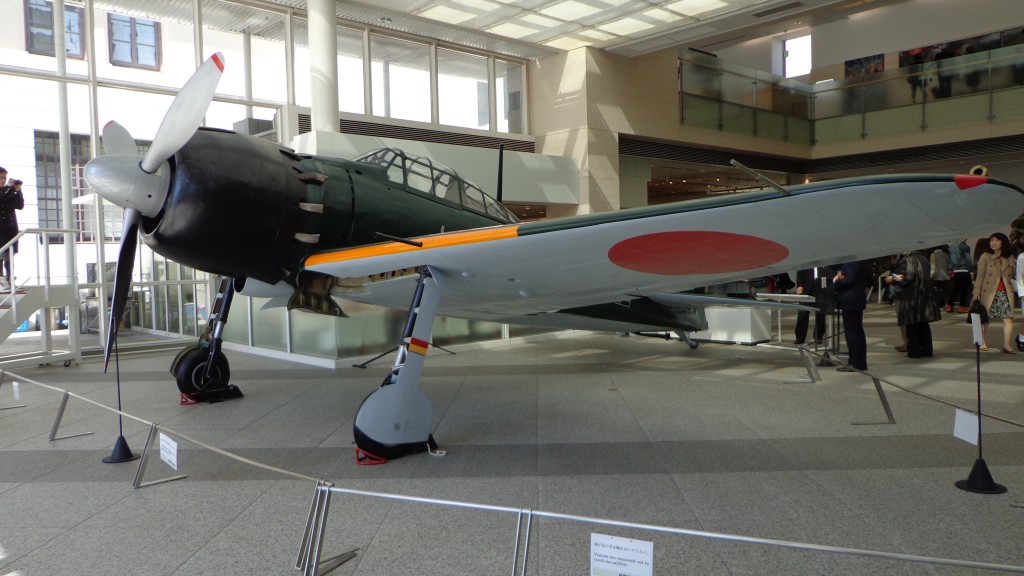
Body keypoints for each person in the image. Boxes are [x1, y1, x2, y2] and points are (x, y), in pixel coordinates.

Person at [972, 232, 1017, 353]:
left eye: (997, 240)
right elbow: (980, 276)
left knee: (1008, 319)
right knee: (985, 319)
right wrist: (976, 292)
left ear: (1003, 242)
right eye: (991, 240)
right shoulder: (985, 256)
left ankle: (1006, 344)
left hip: (1005, 292)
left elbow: (1014, 275)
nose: (993, 243)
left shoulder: (1010, 257)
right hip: (988, 292)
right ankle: (981, 341)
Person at [891, 250, 939, 358]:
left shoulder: (909, 259)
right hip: (924, 295)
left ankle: (914, 351)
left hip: (911, 296)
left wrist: (894, 278)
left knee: (911, 325)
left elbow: (908, 277)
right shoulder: (924, 259)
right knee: (923, 324)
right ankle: (927, 350)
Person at [833, 260, 871, 372]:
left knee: (852, 333)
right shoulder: (863, 260)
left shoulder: (852, 261)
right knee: (857, 331)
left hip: (850, 299)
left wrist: (837, 280)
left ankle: (855, 363)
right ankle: (860, 362)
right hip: (857, 298)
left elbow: (849, 280)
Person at [0, 168, 25, 287]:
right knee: (1, 255)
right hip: (1, 230)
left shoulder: (7, 190)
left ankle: (10, 279)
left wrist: (18, 191)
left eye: (4, 178)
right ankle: (1, 280)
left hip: (11, 229)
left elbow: (19, 205)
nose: (3, 180)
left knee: (10, 255)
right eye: (1, 177)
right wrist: (8, 188)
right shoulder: (5, 191)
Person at [793, 268, 827, 345]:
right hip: (806, 287)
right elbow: (800, 270)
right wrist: (799, 285)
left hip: (820, 287)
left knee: (820, 314)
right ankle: (800, 337)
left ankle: (818, 337)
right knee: (803, 313)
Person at [947, 239, 975, 313]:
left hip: (955, 271)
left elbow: (950, 260)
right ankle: (962, 307)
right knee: (964, 290)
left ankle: (949, 305)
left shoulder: (951, 247)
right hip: (964, 270)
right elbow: (968, 259)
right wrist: (971, 272)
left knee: (955, 289)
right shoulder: (964, 246)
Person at [929, 245, 950, 312]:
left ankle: (938, 304)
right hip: (945, 276)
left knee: (937, 290)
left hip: (937, 276)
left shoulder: (933, 255)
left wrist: (931, 275)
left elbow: (933, 266)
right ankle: (944, 303)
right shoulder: (945, 254)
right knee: (944, 290)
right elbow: (949, 265)